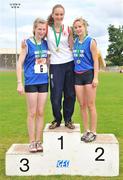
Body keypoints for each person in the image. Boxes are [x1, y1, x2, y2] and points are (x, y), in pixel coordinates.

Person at [17, 18, 48, 152]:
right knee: (32, 112)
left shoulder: (47, 44)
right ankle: (31, 141)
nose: (41, 31)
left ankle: (38, 141)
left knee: (41, 112)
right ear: (34, 29)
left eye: (43, 29)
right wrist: (19, 83)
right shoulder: (27, 43)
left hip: (43, 82)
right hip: (31, 82)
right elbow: (19, 64)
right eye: (39, 29)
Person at [47, 4, 76, 129]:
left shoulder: (68, 29)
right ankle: (57, 119)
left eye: (61, 14)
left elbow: (72, 46)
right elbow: (38, 37)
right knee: (56, 95)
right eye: (57, 14)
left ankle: (68, 119)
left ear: (63, 15)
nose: (59, 16)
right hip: (55, 65)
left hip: (69, 63)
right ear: (53, 15)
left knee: (70, 94)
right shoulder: (47, 29)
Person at [72, 17, 99, 142]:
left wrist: (96, 77)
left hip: (88, 75)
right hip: (77, 75)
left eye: (80, 27)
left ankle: (93, 132)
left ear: (85, 27)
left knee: (91, 105)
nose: (78, 29)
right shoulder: (75, 41)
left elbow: (95, 60)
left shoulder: (91, 41)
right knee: (82, 105)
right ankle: (86, 130)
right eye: (76, 27)